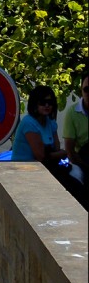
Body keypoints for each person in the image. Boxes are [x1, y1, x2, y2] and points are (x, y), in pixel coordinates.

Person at [10, 85, 68, 167]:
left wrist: (56, 154)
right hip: (22, 170)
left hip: (43, 169)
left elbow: (56, 148)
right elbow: (41, 157)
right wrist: (63, 153)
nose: (47, 105)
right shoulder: (28, 123)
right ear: (34, 103)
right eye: (43, 102)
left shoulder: (50, 122)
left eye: (50, 102)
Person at [63, 71, 89, 200]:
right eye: (86, 89)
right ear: (81, 91)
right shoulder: (72, 113)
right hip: (82, 160)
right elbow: (70, 150)